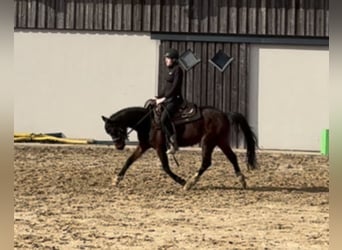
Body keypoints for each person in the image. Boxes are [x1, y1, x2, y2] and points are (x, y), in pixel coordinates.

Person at [154, 48, 184, 154]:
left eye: (168, 58)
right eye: (166, 58)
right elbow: (166, 87)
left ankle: (173, 143)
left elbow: (175, 87)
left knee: (164, 119)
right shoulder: (170, 71)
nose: (166, 60)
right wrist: (158, 96)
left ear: (174, 60)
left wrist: (164, 98)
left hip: (174, 100)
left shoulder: (178, 70)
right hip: (168, 99)